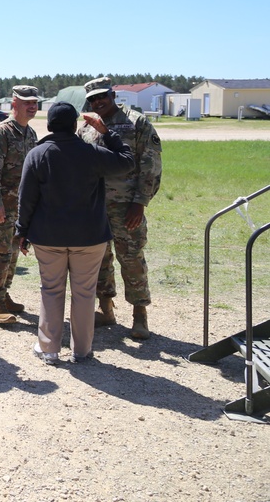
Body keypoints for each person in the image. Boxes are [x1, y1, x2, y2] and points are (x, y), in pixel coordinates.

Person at [15, 103, 135, 364]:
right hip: (89, 237)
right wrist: (106, 132)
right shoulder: (92, 152)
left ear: (48, 126)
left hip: (48, 237)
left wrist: (21, 231)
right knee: (84, 294)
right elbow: (127, 161)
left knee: (51, 291)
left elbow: (26, 199)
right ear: (74, 126)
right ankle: (82, 350)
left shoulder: (37, 154)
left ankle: (49, 349)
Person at [77, 77, 163, 339]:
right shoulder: (87, 128)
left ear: (113, 94)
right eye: (92, 99)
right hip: (95, 207)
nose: (98, 102)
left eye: (102, 96)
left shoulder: (136, 122)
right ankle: (106, 310)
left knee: (132, 258)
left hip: (127, 207)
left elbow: (150, 164)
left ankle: (139, 316)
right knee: (99, 260)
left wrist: (140, 202)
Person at [0, 85, 40, 325]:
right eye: (26, 102)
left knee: (14, 251)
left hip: (20, 206)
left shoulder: (31, 134)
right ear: (13, 103)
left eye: (35, 102)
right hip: (2, 205)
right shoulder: (1, 132)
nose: (32, 106)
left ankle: (4, 294)